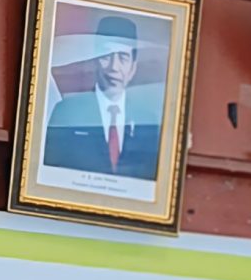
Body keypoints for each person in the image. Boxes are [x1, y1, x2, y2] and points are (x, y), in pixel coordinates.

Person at [41, 14, 162, 181]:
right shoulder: (67, 112)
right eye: (106, 56)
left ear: (133, 67)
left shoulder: (147, 120)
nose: (114, 67)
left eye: (123, 57)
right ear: (94, 61)